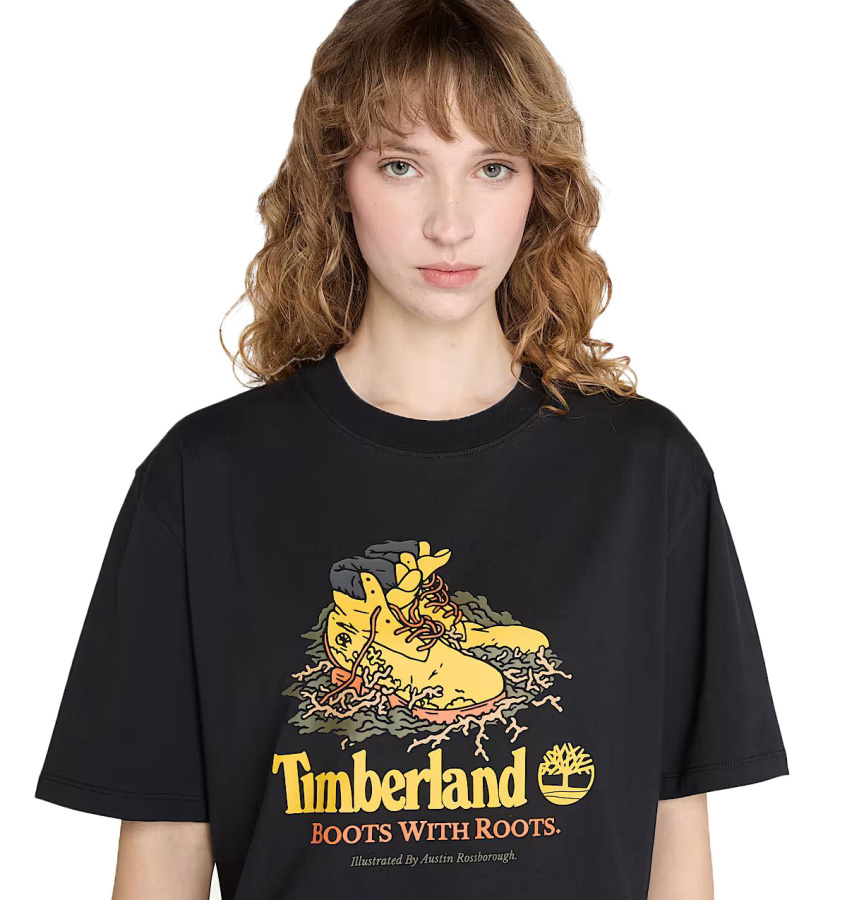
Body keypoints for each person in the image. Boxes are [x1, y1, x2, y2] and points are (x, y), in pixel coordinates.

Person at [34, 1, 789, 898]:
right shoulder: (205, 478)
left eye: (492, 168)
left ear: (538, 189)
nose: (449, 223)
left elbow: (674, 829)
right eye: (402, 165)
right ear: (336, 181)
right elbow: (163, 850)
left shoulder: (644, 470)